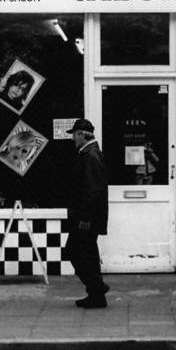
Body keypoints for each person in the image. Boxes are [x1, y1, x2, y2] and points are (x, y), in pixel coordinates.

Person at [63, 118, 110, 309]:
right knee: (88, 254)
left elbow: (93, 190)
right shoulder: (90, 153)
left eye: (74, 134)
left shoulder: (91, 155)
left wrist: (85, 217)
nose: (73, 138)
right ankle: (96, 294)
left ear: (82, 134)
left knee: (74, 251)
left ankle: (97, 288)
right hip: (87, 216)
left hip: (86, 218)